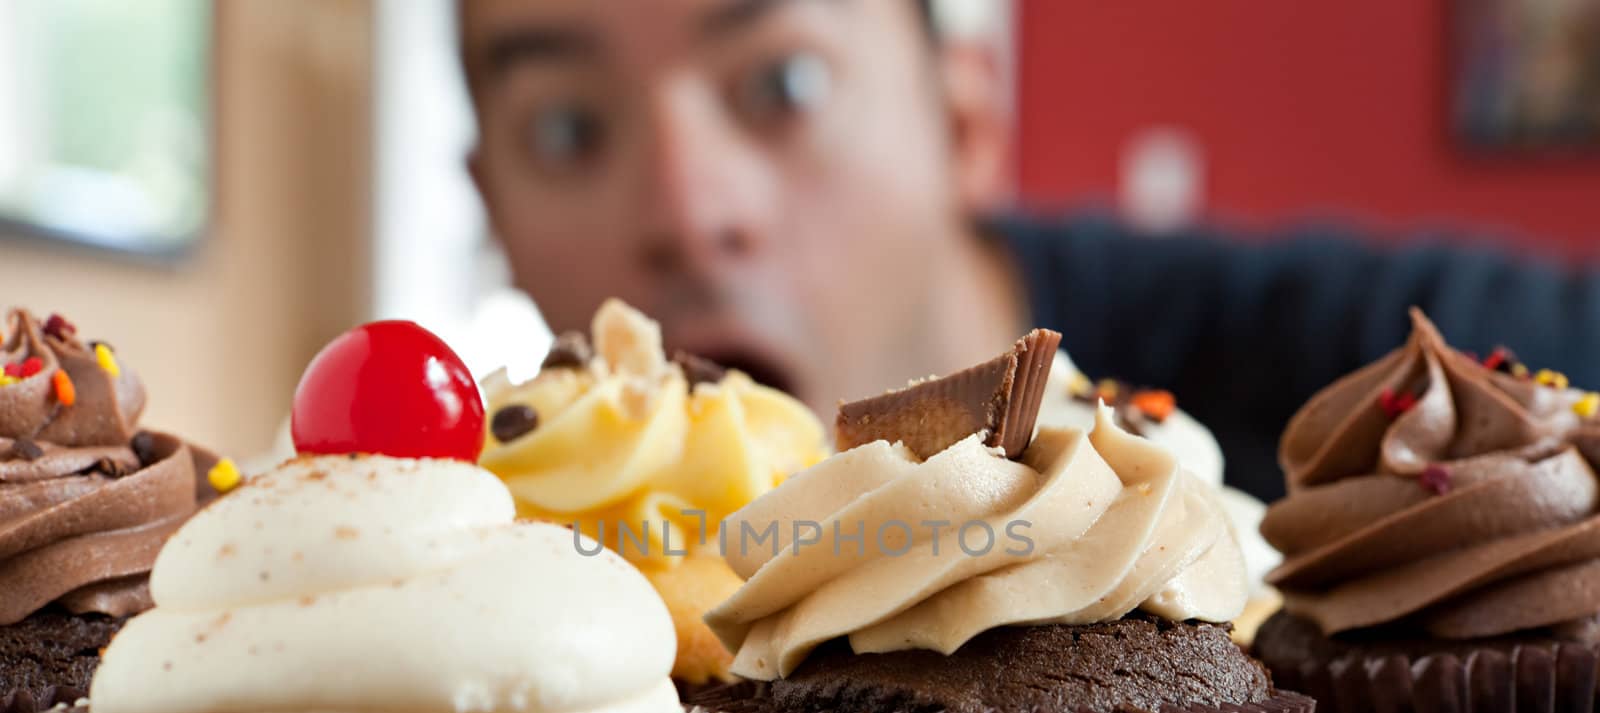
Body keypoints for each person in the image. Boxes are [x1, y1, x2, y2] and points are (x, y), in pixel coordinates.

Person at [458, 0, 1600, 500]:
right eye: (568, 128)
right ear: (491, 211)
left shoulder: (1354, 374)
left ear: (963, 125)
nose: (688, 211)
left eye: (782, 84)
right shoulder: (507, 568)